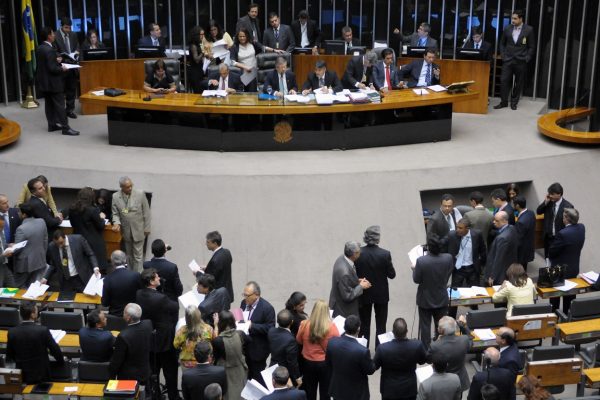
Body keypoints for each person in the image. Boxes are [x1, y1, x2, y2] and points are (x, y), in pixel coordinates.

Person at [136, 268, 179, 400]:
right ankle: (173, 395)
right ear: (151, 281)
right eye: (156, 277)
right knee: (170, 371)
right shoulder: (161, 298)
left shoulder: (139, 293)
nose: (159, 278)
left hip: (149, 337)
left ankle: (155, 395)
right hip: (165, 340)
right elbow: (175, 307)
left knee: (153, 371)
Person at [355, 225, 396, 346]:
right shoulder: (385, 254)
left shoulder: (358, 253)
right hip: (381, 295)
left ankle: (363, 350)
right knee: (381, 326)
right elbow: (392, 275)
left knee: (364, 325)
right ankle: (380, 351)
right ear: (378, 238)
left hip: (364, 293)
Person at [6, 301, 65, 384]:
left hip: (22, 374)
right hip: (42, 375)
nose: (38, 313)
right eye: (37, 311)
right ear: (32, 315)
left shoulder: (12, 332)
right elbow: (55, 350)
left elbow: (10, 355)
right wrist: (61, 362)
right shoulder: (43, 330)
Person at [35, 27, 79, 135]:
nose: (54, 35)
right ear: (49, 36)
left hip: (45, 83)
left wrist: (56, 60)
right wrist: (63, 68)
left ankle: (52, 125)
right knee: (60, 105)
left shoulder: (40, 48)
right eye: (52, 34)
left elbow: (46, 64)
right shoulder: (49, 50)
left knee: (49, 105)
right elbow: (53, 69)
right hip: (54, 83)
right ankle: (66, 128)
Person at [412, 234, 453, 348]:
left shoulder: (421, 261)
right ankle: (441, 347)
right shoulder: (448, 258)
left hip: (425, 299)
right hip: (441, 297)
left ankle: (426, 350)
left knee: (425, 327)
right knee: (442, 325)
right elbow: (448, 273)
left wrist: (414, 269)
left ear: (428, 247)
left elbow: (416, 280)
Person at [373, 317, 427, 400]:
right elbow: (422, 361)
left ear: (393, 332)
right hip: (409, 389)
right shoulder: (417, 345)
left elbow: (374, 366)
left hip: (389, 390)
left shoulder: (382, 348)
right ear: (407, 331)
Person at [296, 299, 340, 400]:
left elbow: (299, 340)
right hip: (325, 363)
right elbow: (337, 344)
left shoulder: (304, 324)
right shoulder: (331, 327)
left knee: (310, 391)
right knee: (325, 391)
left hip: (308, 362)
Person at [326, 315, 376, 400]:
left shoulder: (332, 343)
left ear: (344, 327)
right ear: (358, 329)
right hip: (356, 393)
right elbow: (370, 370)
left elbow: (328, 363)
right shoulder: (362, 351)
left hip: (338, 390)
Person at [495, 10, 535, 110]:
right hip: (508, 60)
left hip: (521, 61)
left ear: (521, 19)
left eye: (515, 18)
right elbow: (502, 43)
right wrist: (503, 55)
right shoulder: (507, 28)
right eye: (512, 18)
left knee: (518, 83)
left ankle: (514, 102)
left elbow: (531, 46)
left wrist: (527, 57)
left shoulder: (529, 29)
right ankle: (504, 102)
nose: (512, 20)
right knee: (504, 81)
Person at [548, 208, 585, 313]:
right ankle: (567, 316)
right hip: (573, 268)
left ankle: (555, 317)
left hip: (559, 271)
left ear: (566, 219)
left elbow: (552, 252)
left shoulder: (563, 234)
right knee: (570, 298)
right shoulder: (581, 228)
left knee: (554, 298)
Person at [111, 176, 151, 272]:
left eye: (131, 186)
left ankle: (138, 275)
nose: (130, 188)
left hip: (139, 230)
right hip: (126, 231)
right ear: (121, 187)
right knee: (129, 255)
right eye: (127, 187)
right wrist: (116, 223)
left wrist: (147, 228)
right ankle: (130, 274)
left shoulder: (140, 194)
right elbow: (115, 213)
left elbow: (146, 212)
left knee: (138, 256)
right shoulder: (115, 196)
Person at [241, 281, 275, 386]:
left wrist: (252, 326)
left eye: (247, 295)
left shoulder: (267, 308)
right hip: (244, 349)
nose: (245, 298)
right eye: (244, 294)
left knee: (257, 381)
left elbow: (270, 328)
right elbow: (242, 319)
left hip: (258, 351)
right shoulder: (243, 303)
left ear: (256, 295)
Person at [109, 303, 153, 386]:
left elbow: (117, 360)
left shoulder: (123, 336)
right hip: (145, 371)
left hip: (129, 378)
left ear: (128, 318)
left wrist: (112, 376)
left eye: (124, 312)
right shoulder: (148, 324)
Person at [427, 316, 472, 392]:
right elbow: (470, 338)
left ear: (441, 330)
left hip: (442, 382)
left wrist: (437, 341)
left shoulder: (435, 346)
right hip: (460, 380)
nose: (437, 328)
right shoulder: (464, 340)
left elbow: (428, 359)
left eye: (438, 327)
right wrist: (464, 325)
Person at [69, 187, 108, 272]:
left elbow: (72, 224)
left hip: (78, 239)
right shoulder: (92, 210)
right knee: (96, 267)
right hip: (93, 242)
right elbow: (100, 225)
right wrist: (102, 218)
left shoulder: (72, 209)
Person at [329, 241, 371, 318]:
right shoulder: (344, 272)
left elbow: (345, 281)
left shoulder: (342, 258)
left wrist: (357, 281)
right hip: (343, 311)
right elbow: (347, 296)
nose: (360, 253)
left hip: (340, 305)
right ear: (354, 254)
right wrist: (361, 286)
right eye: (359, 252)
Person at [212, 310, 248, 400]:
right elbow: (249, 342)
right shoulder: (241, 334)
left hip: (225, 371)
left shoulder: (218, 341)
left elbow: (215, 356)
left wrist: (215, 326)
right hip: (240, 369)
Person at [12, 203, 47, 288]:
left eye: (19, 212)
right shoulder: (42, 222)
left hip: (24, 264)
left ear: (24, 215)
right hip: (39, 260)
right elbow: (45, 241)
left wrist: (11, 247)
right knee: (34, 287)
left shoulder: (21, 229)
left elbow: (17, 249)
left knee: (19, 287)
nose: (18, 213)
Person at [536, 182, 574, 257]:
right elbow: (538, 211)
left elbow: (570, 226)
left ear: (559, 194)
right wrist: (545, 202)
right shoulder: (549, 202)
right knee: (547, 258)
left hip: (559, 239)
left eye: (552, 194)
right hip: (548, 238)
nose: (550, 196)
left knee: (556, 259)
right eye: (549, 193)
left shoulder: (568, 206)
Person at [447, 218, 486, 290]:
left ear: (467, 228)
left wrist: (482, 264)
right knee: (455, 291)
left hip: (472, 268)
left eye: (460, 228)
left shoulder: (477, 235)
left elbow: (483, 250)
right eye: (457, 227)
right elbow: (443, 246)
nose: (457, 230)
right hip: (458, 269)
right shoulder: (452, 235)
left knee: (475, 291)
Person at [53, 17, 79, 119]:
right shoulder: (55, 35)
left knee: (71, 89)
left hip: (72, 66)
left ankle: (70, 110)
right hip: (62, 67)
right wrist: (63, 58)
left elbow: (77, 47)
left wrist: (76, 53)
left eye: (69, 28)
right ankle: (60, 112)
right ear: (61, 26)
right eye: (66, 27)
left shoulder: (73, 35)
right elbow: (54, 51)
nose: (68, 30)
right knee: (60, 91)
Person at [102, 250, 141, 316]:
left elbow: (105, 303)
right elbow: (141, 294)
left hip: (115, 316)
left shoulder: (107, 279)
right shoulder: (136, 275)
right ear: (125, 260)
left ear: (112, 262)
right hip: (133, 315)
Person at [268, 309, 302, 387]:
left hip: (272, 367)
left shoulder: (271, 331)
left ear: (277, 321)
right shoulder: (291, 340)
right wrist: (297, 377)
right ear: (292, 322)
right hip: (284, 372)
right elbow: (292, 362)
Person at [198, 230, 234, 302]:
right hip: (227, 294)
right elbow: (221, 269)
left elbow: (208, 280)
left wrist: (197, 273)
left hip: (218, 297)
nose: (206, 244)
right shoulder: (227, 252)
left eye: (208, 242)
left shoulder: (215, 260)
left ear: (215, 243)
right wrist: (208, 268)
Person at [485, 211, 519, 286]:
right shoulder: (512, 228)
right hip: (509, 266)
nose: (494, 222)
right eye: (494, 220)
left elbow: (498, 258)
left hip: (500, 273)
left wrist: (492, 276)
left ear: (504, 221)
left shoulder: (502, 238)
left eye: (497, 221)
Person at [513, 196, 535, 268]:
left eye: (514, 204)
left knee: (520, 270)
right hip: (528, 248)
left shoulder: (521, 222)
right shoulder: (531, 213)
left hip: (522, 252)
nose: (513, 206)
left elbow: (518, 240)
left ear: (517, 205)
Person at [188, 26, 206, 93]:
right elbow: (196, 60)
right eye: (201, 34)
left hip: (199, 70)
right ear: (196, 35)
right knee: (197, 92)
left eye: (203, 34)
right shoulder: (193, 46)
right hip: (194, 72)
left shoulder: (199, 44)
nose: (203, 36)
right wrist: (203, 52)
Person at [0, 217, 15, 287]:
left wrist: (8, 245)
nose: (2, 229)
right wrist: (4, 255)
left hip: (3, 265)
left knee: (12, 285)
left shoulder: (1, 233)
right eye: (0, 227)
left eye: (3, 227)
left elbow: (2, 244)